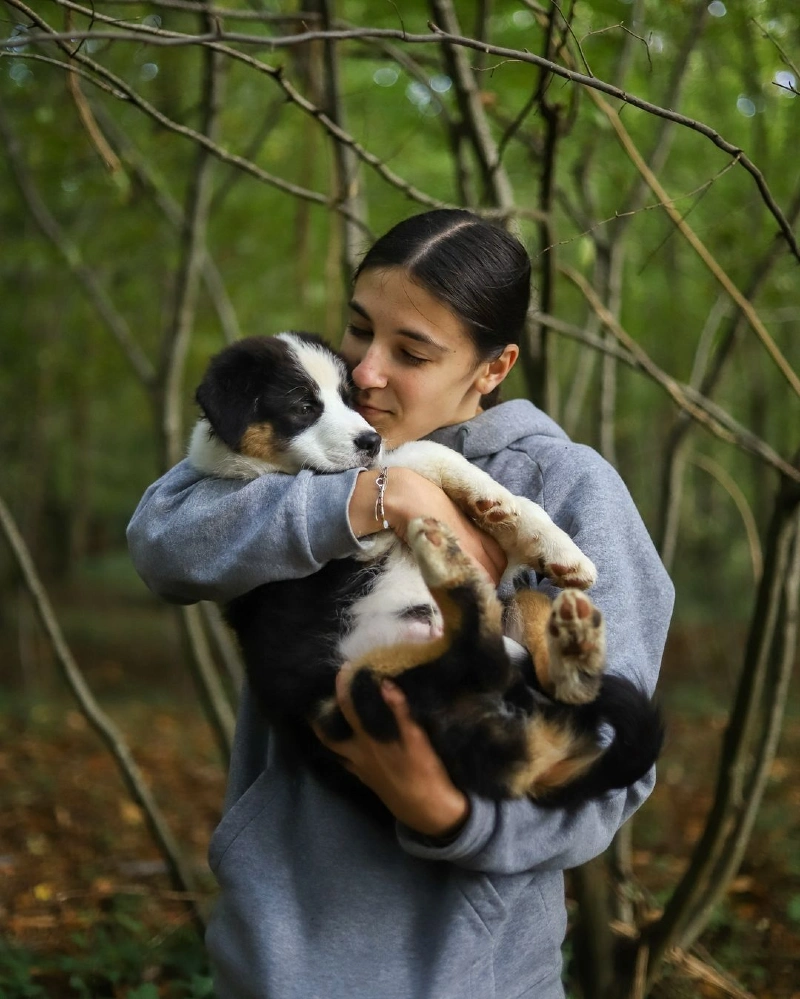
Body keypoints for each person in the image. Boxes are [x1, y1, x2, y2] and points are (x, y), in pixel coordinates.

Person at [127, 209, 674, 999]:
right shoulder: (307, 441)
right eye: (358, 330)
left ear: (493, 367)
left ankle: (520, 650)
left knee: (552, 702)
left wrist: (448, 813)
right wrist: (379, 497)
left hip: (469, 976)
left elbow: (614, 773)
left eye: (411, 351)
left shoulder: (569, 487)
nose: (368, 371)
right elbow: (162, 542)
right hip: (275, 956)